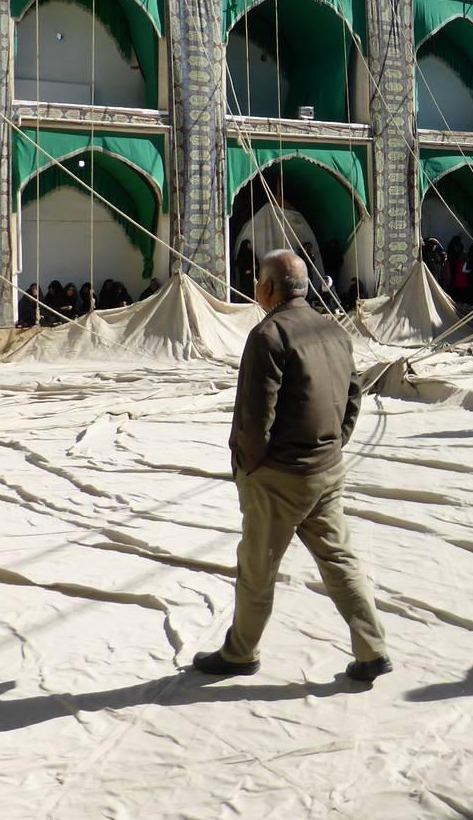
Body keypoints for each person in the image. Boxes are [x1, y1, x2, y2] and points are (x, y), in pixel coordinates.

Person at [192, 250, 391, 681]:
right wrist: (335, 444)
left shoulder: (268, 335)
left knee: (257, 570)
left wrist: (248, 466)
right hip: (327, 469)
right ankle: (372, 649)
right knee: (339, 560)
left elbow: (254, 416)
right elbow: (354, 396)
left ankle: (241, 652)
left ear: (266, 288)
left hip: (280, 475)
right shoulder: (333, 331)